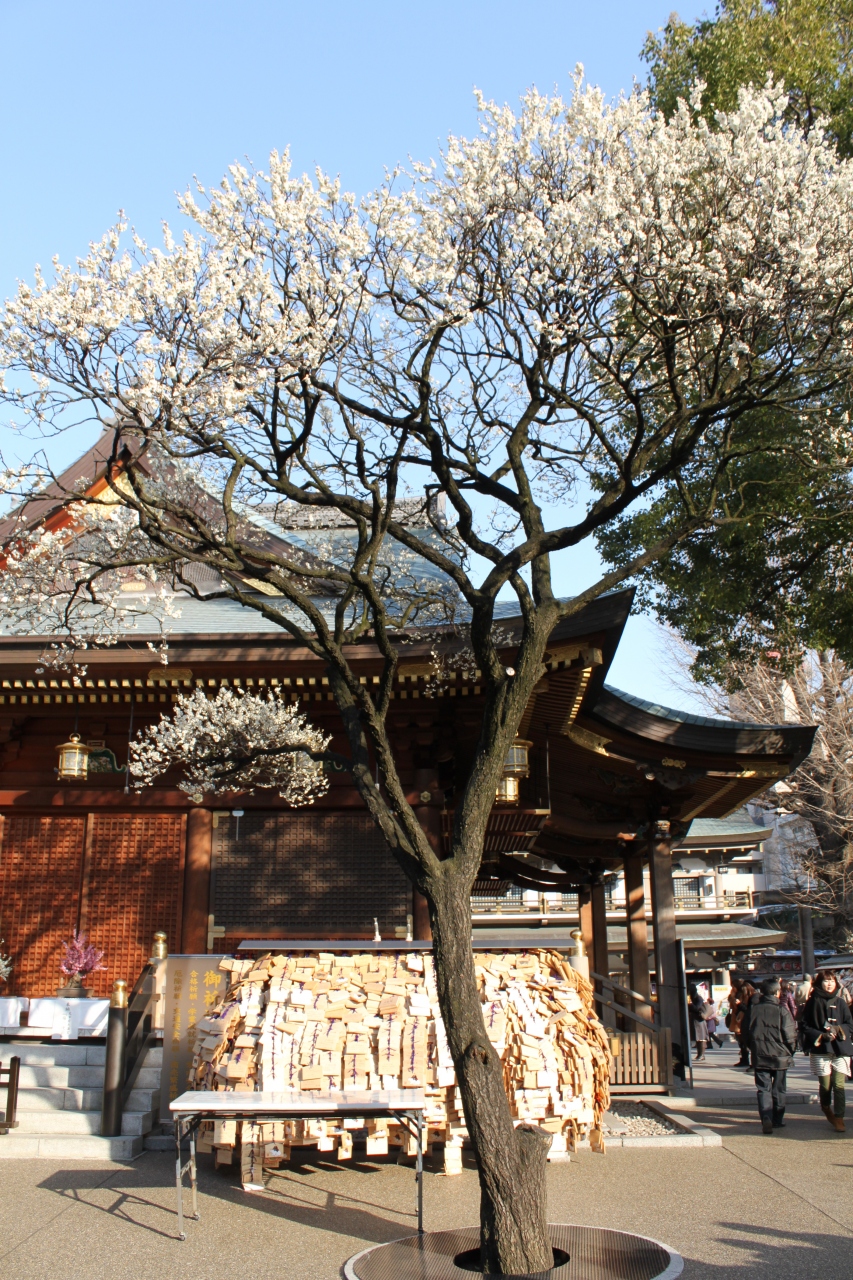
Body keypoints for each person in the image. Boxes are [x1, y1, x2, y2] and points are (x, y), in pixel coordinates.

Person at [742, 976, 797, 1135]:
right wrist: (790, 1051)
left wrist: (752, 1047)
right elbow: (790, 1036)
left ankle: (766, 1116)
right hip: (780, 1056)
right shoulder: (782, 1011)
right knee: (779, 1089)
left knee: (763, 1089)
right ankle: (777, 1119)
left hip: (760, 1055)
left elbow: (745, 1033)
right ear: (777, 992)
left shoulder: (753, 1010)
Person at [800, 967, 853, 1133]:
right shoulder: (812, 1002)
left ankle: (839, 1117)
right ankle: (825, 1107)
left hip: (840, 1049)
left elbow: (850, 1024)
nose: (829, 984)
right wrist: (820, 1035)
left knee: (839, 1085)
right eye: (826, 981)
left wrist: (838, 1029)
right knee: (825, 1086)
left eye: (832, 981)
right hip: (821, 1048)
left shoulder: (841, 1002)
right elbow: (804, 1025)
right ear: (819, 983)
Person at [729, 979, 757, 1068]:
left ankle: (748, 1060)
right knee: (741, 1042)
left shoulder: (750, 997)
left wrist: (739, 1004)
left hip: (743, 1021)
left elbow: (746, 1009)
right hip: (738, 1020)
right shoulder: (736, 995)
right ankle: (744, 1059)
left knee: (745, 1041)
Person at [689, 985, 710, 1062]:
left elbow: (697, 1008)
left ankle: (702, 1054)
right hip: (695, 1020)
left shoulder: (698, 998)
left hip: (700, 1020)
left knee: (701, 1037)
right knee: (697, 1038)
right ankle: (699, 1054)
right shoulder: (694, 998)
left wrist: (690, 1005)